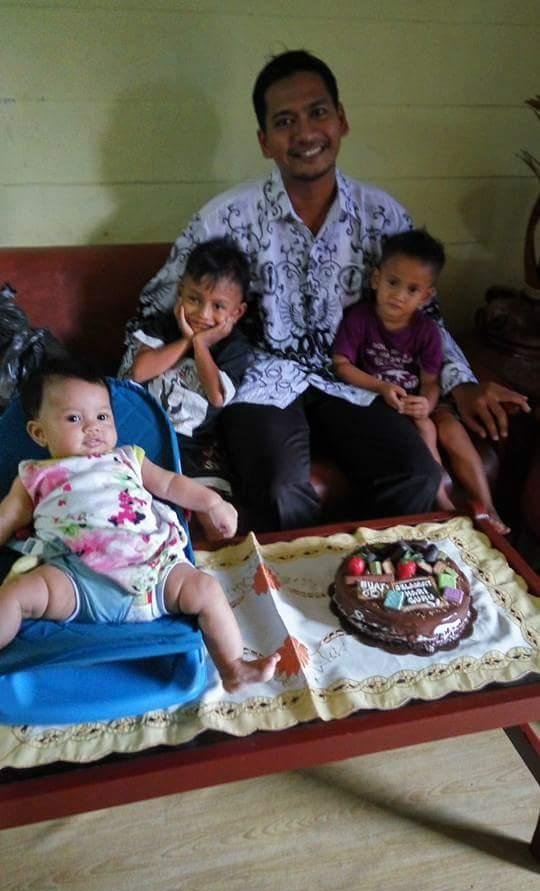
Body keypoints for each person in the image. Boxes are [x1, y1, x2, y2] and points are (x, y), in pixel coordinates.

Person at [120, 49, 529, 533]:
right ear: (265, 141)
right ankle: (290, 602)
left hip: (354, 377)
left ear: (342, 120)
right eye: (285, 121)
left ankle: (380, 596)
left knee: (416, 474)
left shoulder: (382, 216)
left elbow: (427, 314)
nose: (306, 133)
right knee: (278, 490)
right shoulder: (223, 220)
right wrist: (121, 399)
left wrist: (461, 384)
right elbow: (155, 309)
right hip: (260, 380)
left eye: (318, 113)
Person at [0, 360, 280, 691]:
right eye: (74, 418)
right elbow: (7, 517)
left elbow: (173, 485)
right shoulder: (35, 475)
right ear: (39, 432)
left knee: (205, 589)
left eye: (102, 417)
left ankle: (233, 668)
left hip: (155, 574)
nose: (93, 427)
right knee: (15, 595)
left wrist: (213, 502)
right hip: (77, 580)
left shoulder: (128, 458)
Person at [332, 229, 509, 533]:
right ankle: (444, 505)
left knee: (449, 427)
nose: (399, 295)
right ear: (376, 279)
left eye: (412, 290)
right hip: (379, 402)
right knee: (425, 429)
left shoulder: (427, 331)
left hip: (418, 400)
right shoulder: (359, 319)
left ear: (426, 296)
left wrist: (426, 402)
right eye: (392, 283)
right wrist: (380, 387)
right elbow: (341, 365)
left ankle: (487, 508)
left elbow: (430, 380)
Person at [121, 237, 253, 506]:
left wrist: (201, 345)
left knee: (213, 509)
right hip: (140, 434)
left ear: (237, 312)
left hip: (193, 446)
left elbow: (217, 395)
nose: (203, 314)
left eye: (218, 307)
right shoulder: (162, 325)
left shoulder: (234, 347)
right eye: (194, 299)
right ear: (180, 292)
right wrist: (186, 341)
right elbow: (140, 371)